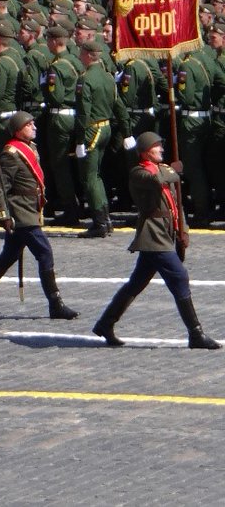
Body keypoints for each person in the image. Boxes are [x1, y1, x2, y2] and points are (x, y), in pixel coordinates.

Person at [92, 132, 221, 349]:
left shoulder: (163, 170)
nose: (161, 149)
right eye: (157, 146)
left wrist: (184, 230)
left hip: (167, 233)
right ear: (145, 152)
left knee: (136, 283)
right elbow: (158, 179)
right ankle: (196, 334)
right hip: (153, 235)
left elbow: (176, 203)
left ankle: (106, 323)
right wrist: (174, 171)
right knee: (179, 277)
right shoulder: (139, 173)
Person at [0, 111, 79, 320]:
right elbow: (1, 187)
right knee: (45, 253)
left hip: (31, 207)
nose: (34, 127)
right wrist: (4, 214)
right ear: (18, 130)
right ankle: (56, 304)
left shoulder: (30, 148)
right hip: (21, 212)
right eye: (29, 125)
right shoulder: (11, 154)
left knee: (7, 257)